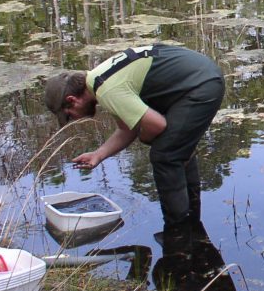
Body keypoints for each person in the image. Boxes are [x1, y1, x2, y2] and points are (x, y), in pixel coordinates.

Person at [44, 44, 225, 229]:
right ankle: (191, 217)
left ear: (72, 100)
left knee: (165, 155)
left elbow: (157, 125)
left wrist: (145, 138)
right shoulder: (99, 80)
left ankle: (177, 228)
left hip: (201, 85)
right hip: (200, 78)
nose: (74, 118)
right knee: (176, 146)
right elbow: (126, 129)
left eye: (69, 115)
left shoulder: (107, 90)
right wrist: (98, 154)